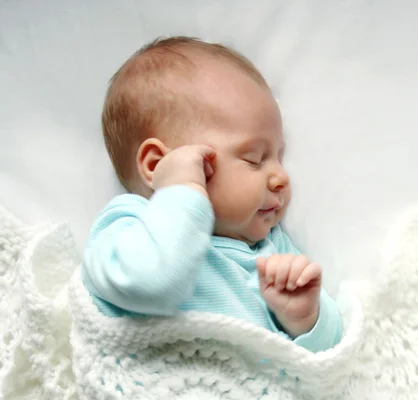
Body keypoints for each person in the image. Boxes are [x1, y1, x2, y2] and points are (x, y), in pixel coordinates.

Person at [82, 36, 342, 352]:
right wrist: (181, 191)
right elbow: (150, 283)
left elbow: (328, 354)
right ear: (157, 164)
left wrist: (306, 318)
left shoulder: (273, 251)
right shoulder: (127, 226)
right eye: (255, 159)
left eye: (279, 157)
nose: (281, 177)